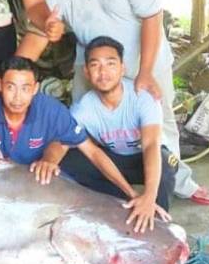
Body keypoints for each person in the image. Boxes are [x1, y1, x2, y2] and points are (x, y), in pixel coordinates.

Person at [25, 0, 209, 205]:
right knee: (80, 122)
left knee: (160, 123)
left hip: (144, 57)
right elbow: (39, 33)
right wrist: (13, 74)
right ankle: (113, 186)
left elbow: (152, 16)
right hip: (92, 61)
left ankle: (177, 182)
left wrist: (145, 72)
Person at [0, 56, 170, 233]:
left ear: (35, 88)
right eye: (11, 87)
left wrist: (133, 195)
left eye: (25, 88)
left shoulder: (52, 110)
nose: (17, 97)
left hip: (34, 181)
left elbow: (93, 153)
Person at [62, 36, 178, 217]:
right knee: (68, 162)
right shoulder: (83, 107)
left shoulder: (143, 97)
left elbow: (150, 146)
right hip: (115, 160)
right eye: (95, 65)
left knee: (165, 163)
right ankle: (124, 203)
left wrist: (149, 196)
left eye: (110, 64)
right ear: (86, 71)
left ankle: (156, 216)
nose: (103, 72)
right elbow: (62, 142)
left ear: (122, 68)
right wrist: (49, 161)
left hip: (144, 159)